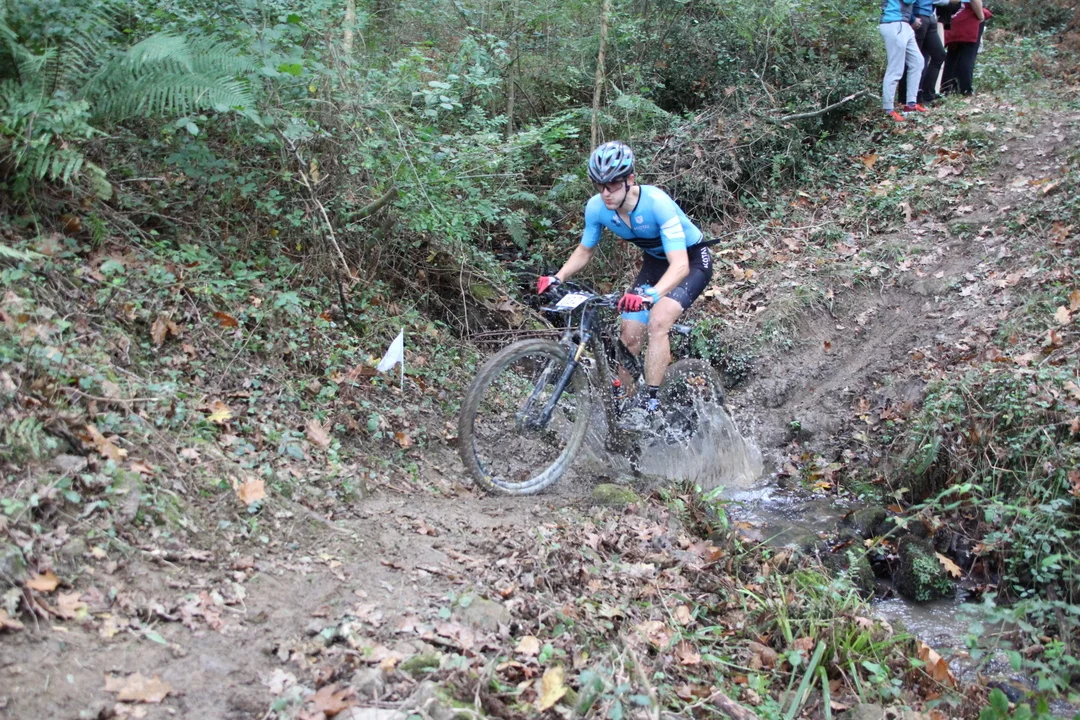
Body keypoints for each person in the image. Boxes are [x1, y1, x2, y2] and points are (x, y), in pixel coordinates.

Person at [535, 141, 713, 429]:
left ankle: (652, 404)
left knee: (658, 320)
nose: (606, 193)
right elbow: (585, 250)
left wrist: (651, 296)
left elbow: (680, 265)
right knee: (629, 335)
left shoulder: (656, 203)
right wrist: (559, 277)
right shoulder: (597, 208)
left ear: (630, 179)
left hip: (691, 261)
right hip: (656, 264)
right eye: (599, 185)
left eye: (613, 185)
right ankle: (624, 406)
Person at [879, 0, 927, 122]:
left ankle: (911, 104)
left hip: (902, 24)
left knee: (917, 61)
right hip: (895, 23)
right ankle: (888, 110)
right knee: (895, 69)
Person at [942, 0, 991, 95]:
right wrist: (981, 16)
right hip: (970, 15)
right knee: (968, 54)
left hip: (953, 14)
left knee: (953, 54)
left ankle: (946, 88)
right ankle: (965, 89)